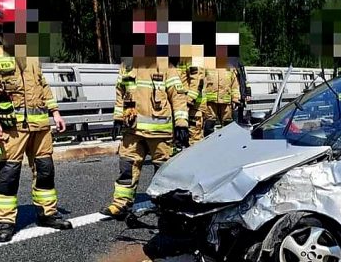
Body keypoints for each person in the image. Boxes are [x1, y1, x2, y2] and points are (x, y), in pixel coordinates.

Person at [0, 0, 72, 241]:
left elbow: (42, 84)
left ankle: (47, 213)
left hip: (40, 125)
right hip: (12, 127)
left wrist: (55, 112)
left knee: (45, 169)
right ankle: (5, 221)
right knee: (9, 174)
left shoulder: (29, 52)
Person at [100, 13, 189, 219]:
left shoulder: (165, 65)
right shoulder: (128, 64)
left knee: (163, 170)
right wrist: (118, 118)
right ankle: (121, 204)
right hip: (132, 129)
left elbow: (178, 96)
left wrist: (181, 124)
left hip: (160, 131)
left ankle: (165, 207)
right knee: (126, 166)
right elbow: (121, 92)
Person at [200, 66, 240, 136]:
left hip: (226, 103)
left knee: (227, 124)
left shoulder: (230, 68)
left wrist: (235, 99)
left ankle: (227, 140)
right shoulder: (207, 66)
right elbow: (201, 83)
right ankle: (209, 140)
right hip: (210, 102)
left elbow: (235, 85)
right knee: (209, 123)